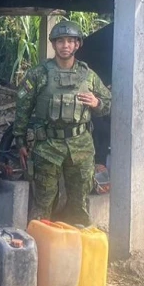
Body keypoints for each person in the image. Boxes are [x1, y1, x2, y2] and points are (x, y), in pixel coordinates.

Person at [13, 20, 111, 226]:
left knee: (80, 204)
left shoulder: (88, 76)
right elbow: (23, 108)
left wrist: (97, 102)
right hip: (47, 147)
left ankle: (74, 251)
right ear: (54, 44)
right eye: (60, 41)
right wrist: (20, 141)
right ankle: (39, 250)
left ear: (77, 45)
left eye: (70, 41)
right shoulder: (39, 74)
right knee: (43, 203)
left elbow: (109, 103)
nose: (65, 45)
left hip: (81, 147)